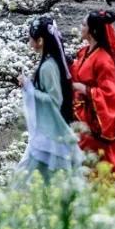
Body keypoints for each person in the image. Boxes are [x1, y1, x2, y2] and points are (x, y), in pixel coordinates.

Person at [14, 16, 84, 185]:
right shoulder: (52, 62)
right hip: (50, 132)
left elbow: (54, 100)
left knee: (27, 178)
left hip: (50, 134)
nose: (30, 42)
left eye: (32, 38)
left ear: (40, 40)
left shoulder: (48, 67)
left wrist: (29, 88)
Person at [70, 9, 115, 183]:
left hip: (96, 124)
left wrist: (84, 89)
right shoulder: (84, 53)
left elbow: (109, 94)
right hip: (82, 119)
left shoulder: (103, 59)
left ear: (92, 30)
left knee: (98, 170)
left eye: (84, 25)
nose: (80, 27)